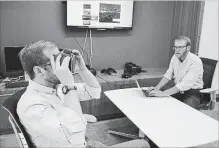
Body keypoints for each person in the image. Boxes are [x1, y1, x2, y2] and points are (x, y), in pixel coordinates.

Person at [17, 40, 150, 148]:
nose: (62, 64)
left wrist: (82, 69)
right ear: (39, 70)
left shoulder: (55, 87)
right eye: (55, 61)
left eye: (61, 58)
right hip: (77, 143)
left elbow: (93, 92)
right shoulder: (31, 105)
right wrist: (69, 85)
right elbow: (75, 138)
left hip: (86, 143)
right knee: (143, 144)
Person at [148, 36, 204, 109]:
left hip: (192, 93)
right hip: (178, 90)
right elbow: (169, 74)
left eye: (180, 47)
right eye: (175, 47)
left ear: (188, 48)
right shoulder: (175, 56)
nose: (177, 50)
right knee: (159, 104)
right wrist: (157, 88)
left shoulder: (195, 61)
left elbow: (185, 85)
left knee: (185, 113)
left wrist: (162, 93)